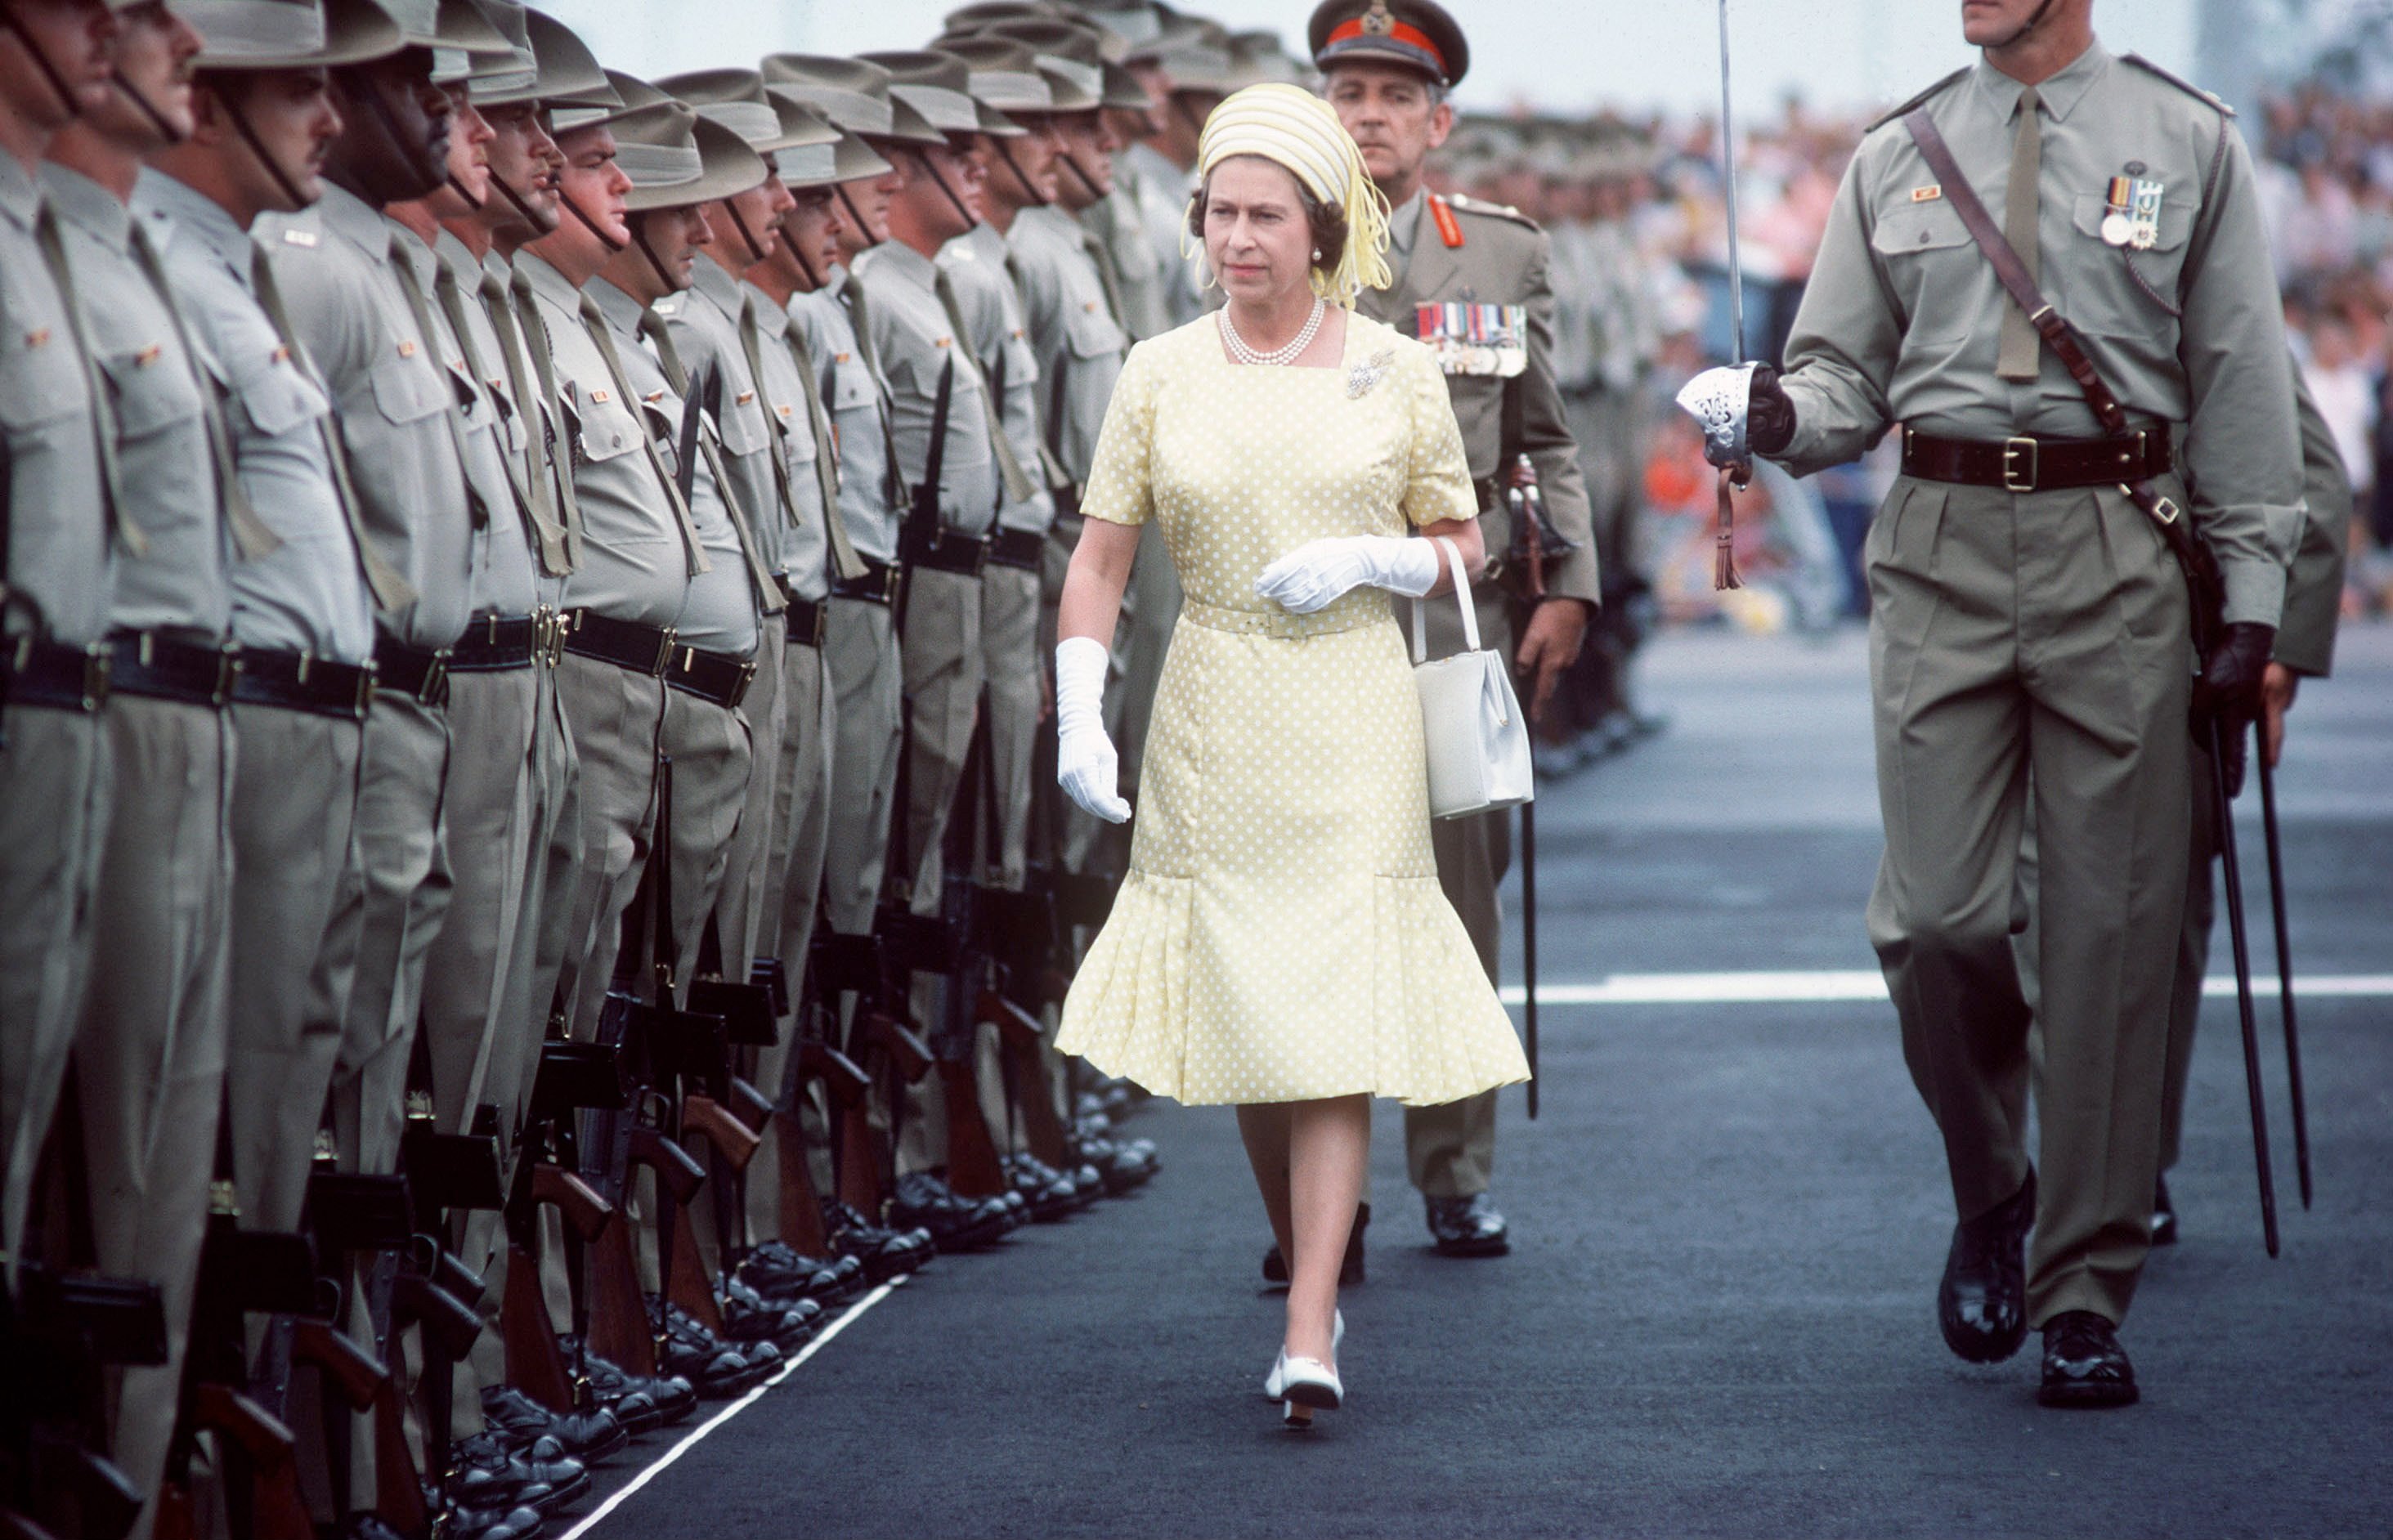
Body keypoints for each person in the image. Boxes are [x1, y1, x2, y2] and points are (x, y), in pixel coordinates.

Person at [1690, 0, 2302, 1407]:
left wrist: (2256, 593)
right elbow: (1844, 371)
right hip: (1942, 551)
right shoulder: (1897, 153)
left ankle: (2083, 1291)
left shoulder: (2188, 142)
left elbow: (2239, 379)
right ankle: (1995, 1187)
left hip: (2119, 551)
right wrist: (1775, 415)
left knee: (2110, 934)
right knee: (1934, 921)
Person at [1051, 82, 1527, 1428]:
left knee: (1325, 1015)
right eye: (1220, 212)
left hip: (1352, 710)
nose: (1239, 238)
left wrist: (1373, 556)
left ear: (1323, 227)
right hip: (1214, 705)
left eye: (1266, 214)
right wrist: (1081, 706)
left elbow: (1462, 544)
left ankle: (1312, 1318)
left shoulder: (1397, 366)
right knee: (1257, 1016)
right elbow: (1100, 558)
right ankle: (1308, 1261)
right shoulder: (1160, 370)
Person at [1314, 0, 1601, 1262]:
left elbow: (1544, 438)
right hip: (1304, 615)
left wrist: (1570, 585)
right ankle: (1317, 1190)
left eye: (1393, 96)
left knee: (1454, 896)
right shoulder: (1265, 238)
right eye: (1347, 92)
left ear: (1440, 122)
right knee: (1307, 901)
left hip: (1446, 606)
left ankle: (1453, 1165)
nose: (1368, 115)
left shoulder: (1497, 256)